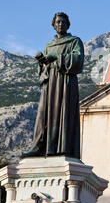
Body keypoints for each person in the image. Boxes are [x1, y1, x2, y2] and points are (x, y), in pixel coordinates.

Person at [22, 12, 84, 158]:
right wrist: (42, 62)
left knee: (63, 113)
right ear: (54, 25)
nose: (60, 24)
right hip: (50, 83)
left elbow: (78, 59)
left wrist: (56, 57)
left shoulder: (74, 41)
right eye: (58, 22)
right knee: (43, 114)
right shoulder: (49, 45)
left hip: (65, 83)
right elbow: (43, 69)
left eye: (63, 22)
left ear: (68, 25)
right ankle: (39, 146)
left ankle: (63, 148)